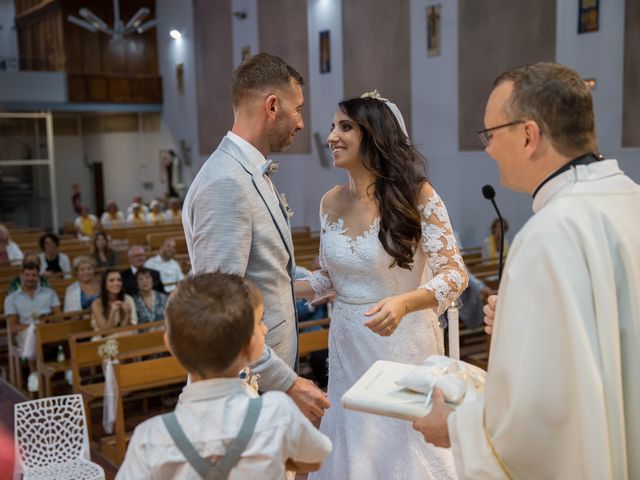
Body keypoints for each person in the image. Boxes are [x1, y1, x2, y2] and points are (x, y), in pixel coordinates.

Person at [413, 62, 640, 479]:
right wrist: (523, 323)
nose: (488, 149)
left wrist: (455, 428)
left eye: (491, 134)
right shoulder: (630, 200)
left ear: (528, 135)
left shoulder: (549, 234)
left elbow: (538, 418)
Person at [295, 92, 467, 480]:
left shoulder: (417, 195)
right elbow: (333, 280)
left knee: (404, 441)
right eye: (333, 126)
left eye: (345, 127)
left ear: (374, 135)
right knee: (354, 437)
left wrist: (405, 303)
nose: (331, 137)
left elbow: (455, 274)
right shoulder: (330, 202)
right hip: (347, 344)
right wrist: (285, 287)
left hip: (402, 341)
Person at [182, 52, 329, 421]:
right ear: (273, 106)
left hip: (264, 381)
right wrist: (290, 383)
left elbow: (265, 274)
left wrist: (323, 283)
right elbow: (221, 312)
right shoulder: (226, 184)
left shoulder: (249, 172)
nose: (301, 122)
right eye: (298, 109)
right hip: (245, 391)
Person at [117, 272, 332, 479]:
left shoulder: (149, 437)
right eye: (260, 322)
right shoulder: (277, 412)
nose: (266, 329)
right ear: (252, 347)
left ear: (169, 345)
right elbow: (315, 456)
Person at [4, 262, 61, 392]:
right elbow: (12, 327)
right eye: (27, 275)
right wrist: (32, 326)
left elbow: (58, 317)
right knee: (32, 334)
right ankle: (34, 372)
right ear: (21, 275)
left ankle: (66, 369)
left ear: (38, 276)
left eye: (34, 275)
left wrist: (46, 323)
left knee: (65, 331)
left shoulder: (49, 293)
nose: (30, 278)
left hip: (48, 329)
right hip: (25, 333)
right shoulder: (11, 298)